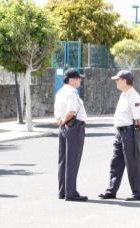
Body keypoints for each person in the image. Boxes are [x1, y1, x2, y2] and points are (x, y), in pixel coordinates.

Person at [99, 70, 140, 201]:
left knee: (133, 163)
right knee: (116, 163)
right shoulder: (124, 95)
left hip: (130, 132)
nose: (116, 82)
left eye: (117, 80)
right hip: (120, 132)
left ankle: (138, 193)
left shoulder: (134, 97)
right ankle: (111, 191)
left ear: (125, 81)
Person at [54, 68, 88, 201]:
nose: (80, 80)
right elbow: (71, 111)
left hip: (63, 127)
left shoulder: (60, 92)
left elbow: (57, 112)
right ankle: (71, 192)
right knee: (72, 160)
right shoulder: (72, 92)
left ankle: (63, 191)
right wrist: (65, 119)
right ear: (72, 79)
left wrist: (61, 121)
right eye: (79, 78)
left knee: (63, 160)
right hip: (74, 127)